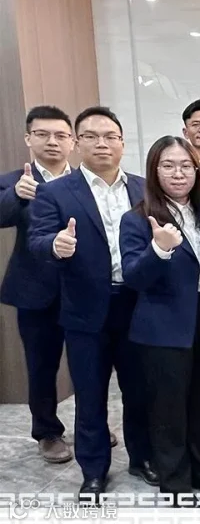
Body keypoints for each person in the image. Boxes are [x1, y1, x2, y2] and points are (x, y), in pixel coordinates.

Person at [28, 106, 156, 503]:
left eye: (110, 136)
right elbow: (36, 239)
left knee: (140, 391)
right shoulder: (56, 191)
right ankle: (94, 469)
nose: (102, 143)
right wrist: (55, 244)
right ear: (77, 143)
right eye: (91, 136)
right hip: (85, 310)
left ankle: (142, 457)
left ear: (122, 143)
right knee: (90, 393)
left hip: (137, 306)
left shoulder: (144, 188)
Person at [120, 136, 200, 506]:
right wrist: (159, 248)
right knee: (168, 409)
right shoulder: (136, 219)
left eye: (186, 165)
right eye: (168, 165)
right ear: (154, 171)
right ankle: (176, 482)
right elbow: (133, 277)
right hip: (162, 326)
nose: (178, 173)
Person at [0, 106, 74, 464]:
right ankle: (47, 432)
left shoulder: (86, 180)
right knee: (41, 366)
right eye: (43, 134)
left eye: (60, 135)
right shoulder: (16, 181)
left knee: (90, 364)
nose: (52, 142)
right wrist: (16, 194)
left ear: (72, 141)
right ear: (29, 138)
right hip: (35, 291)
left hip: (83, 289)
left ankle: (92, 424)